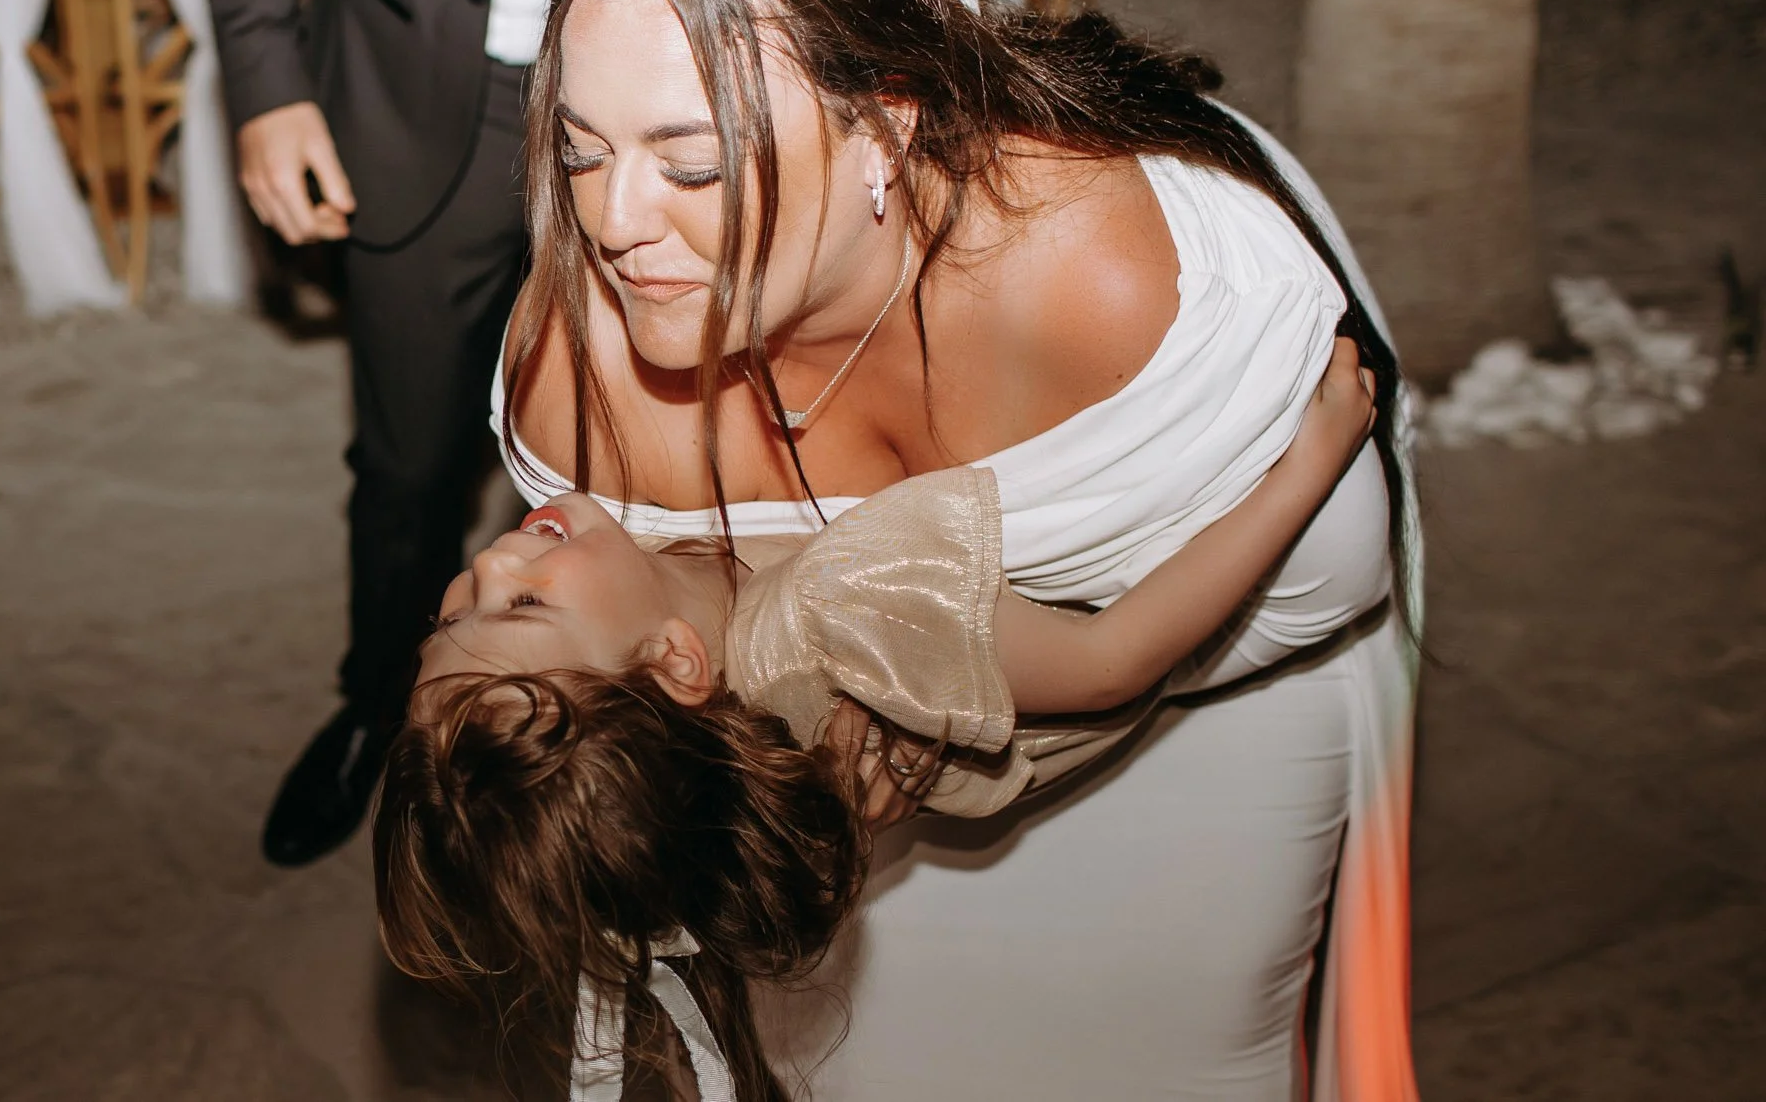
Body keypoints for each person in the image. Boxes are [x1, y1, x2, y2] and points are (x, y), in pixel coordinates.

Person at [458, 0, 1422, 1099]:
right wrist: (808, 730)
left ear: (887, 123)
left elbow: (1330, 583)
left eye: (691, 166)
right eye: (579, 151)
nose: (616, 220)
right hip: (866, 832)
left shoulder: (1102, 295)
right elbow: (643, 666)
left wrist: (971, 684)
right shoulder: (582, 367)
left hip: (1221, 703)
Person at [373, 341, 1376, 1097]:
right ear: (673, 660)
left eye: (451, 613)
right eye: (521, 605)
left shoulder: (652, 644)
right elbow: (1115, 660)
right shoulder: (849, 601)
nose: (486, 564)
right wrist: (1312, 455)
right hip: (1188, 640)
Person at [201, 0, 834, 867]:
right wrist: (265, 79)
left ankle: (645, 724)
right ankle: (380, 700)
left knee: (685, 427)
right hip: (416, 79)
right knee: (406, 454)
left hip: (674, 87)